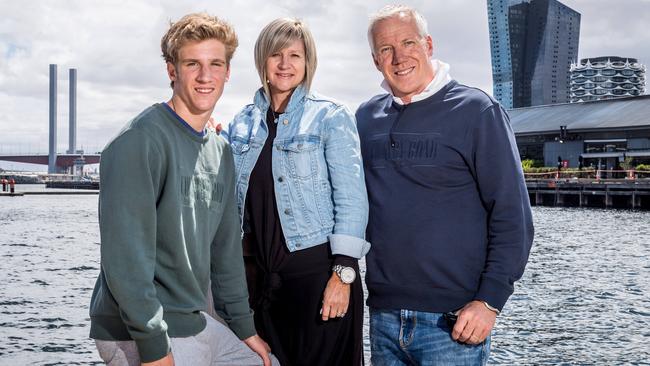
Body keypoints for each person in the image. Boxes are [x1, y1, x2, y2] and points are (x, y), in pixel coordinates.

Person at [88, 13, 277, 366]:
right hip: (140, 327)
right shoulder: (138, 142)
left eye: (215, 64)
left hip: (191, 319)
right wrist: (155, 348)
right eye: (193, 64)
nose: (205, 77)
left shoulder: (220, 151)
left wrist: (244, 327)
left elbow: (225, 254)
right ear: (172, 71)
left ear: (227, 72)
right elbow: (125, 261)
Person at [356, 5, 534, 365]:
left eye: (408, 42)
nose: (399, 56)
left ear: (429, 44)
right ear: (376, 60)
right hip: (383, 315)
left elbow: (513, 216)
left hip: (453, 322)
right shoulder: (365, 118)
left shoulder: (477, 111)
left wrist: (489, 302)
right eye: (386, 49)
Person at [222, 17, 369, 366]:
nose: (285, 64)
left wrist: (343, 274)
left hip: (320, 279)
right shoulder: (241, 124)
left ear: (308, 62)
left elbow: (351, 200)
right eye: (276, 54)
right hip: (258, 283)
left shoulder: (330, 117)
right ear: (262, 61)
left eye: (295, 56)